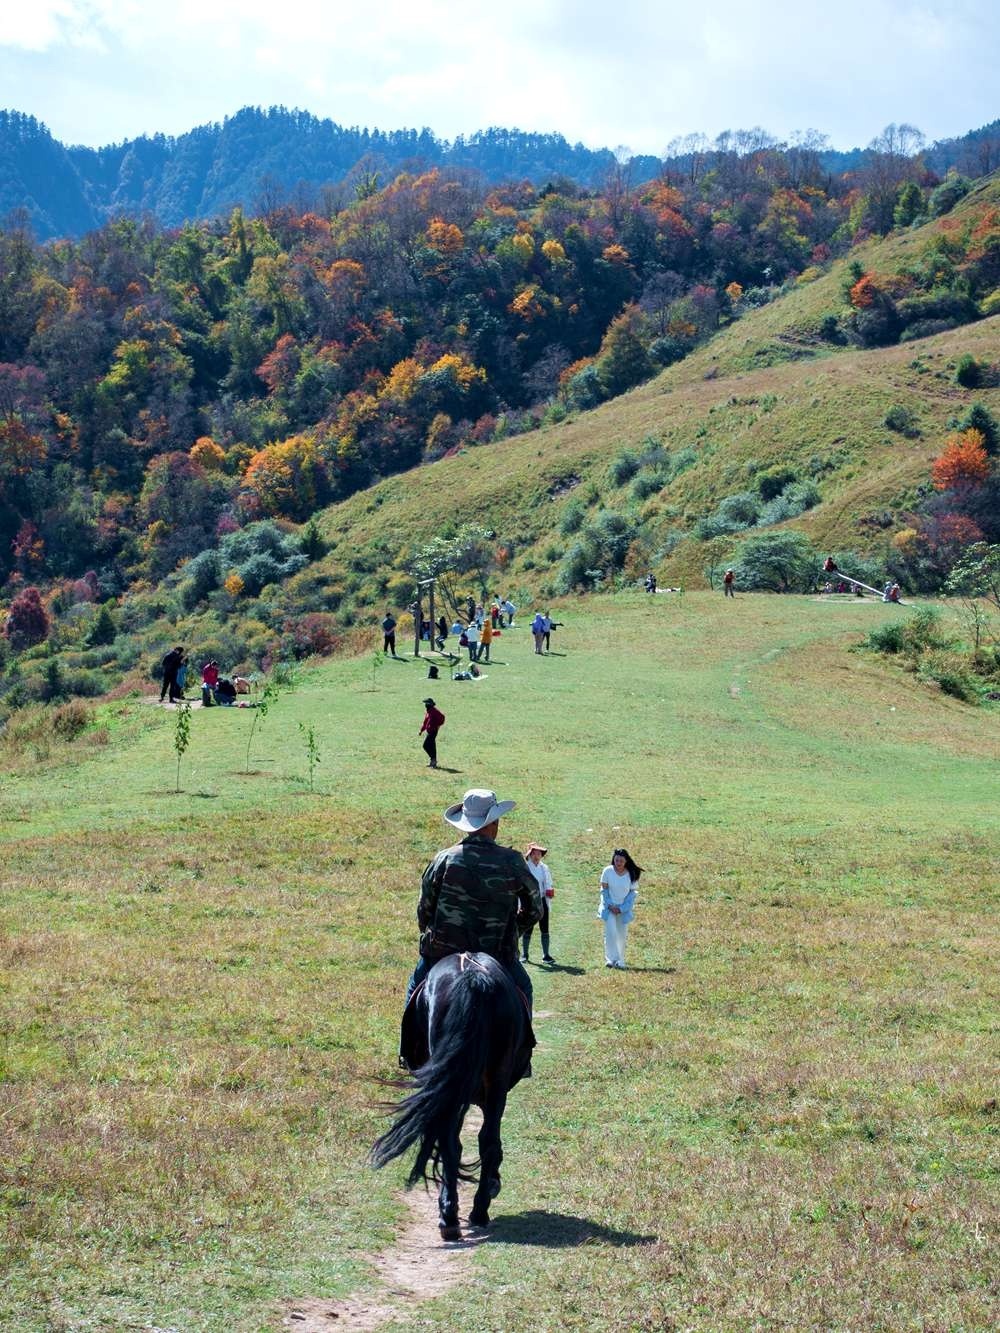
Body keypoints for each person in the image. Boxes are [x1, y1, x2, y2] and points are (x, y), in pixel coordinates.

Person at [405, 789, 540, 1013]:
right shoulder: (512, 861)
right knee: (524, 987)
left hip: (442, 953)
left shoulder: (444, 859)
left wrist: (435, 934)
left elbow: (424, 910)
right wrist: (512, 931)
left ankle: (408, 1048)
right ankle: (523, 1047)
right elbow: (534, 908)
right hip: (498, 954)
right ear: (493, 823)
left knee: (414, 989)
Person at [598, 848, 642, 970]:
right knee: (611, 932)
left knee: (621, 934)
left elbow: (632, 894)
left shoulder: (631, 874)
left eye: (621, 861)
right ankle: (611, 959)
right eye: (616, 860)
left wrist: (622, 908)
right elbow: (604, 890)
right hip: (609, 907)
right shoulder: (607, 871)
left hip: (623, 909)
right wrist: (610, 905)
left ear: (626, 861)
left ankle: (621, 960)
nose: (618, 863)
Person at [520, 842, 555, 963]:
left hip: (541, 899)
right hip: (529, 901)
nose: (537, 856)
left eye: (539, 853)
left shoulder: (544, 868)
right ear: (530, 855)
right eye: (534, 853)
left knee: (544, 927)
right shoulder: (526, 867)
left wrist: (549, 892)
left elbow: (548, 883)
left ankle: (546, 955)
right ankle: (524, 954)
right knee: (527, 927)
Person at [419, 697, 445, 768]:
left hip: (433, 731)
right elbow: (425, 722)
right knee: (432, 746)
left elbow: (442, 717)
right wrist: (421, 730)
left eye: (426, 704)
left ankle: (433, 760)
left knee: (425, 745)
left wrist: (438, 725)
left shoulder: (434, 711)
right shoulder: (429, 711)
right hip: (429, 731)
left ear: (430, 704)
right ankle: (433, 761)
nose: (425, 705)